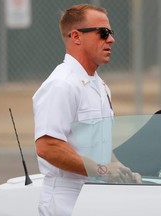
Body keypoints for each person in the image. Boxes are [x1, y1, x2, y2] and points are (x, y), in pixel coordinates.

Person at [32, 4, 141, 216]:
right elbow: (47, 146)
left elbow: (98, 144)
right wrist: (102, 170)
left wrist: (121, 170)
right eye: (103, 33)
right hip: (66, 198)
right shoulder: (62, 84)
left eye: (111, 33)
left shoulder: (99, 86)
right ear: (76, 37)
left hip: (94, 193)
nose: (111, 39)